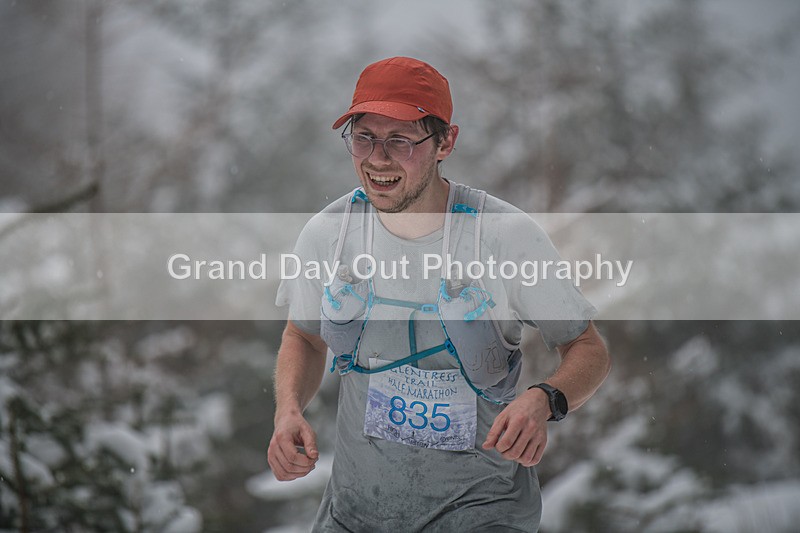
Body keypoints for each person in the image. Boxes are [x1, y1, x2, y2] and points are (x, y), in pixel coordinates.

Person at [268, 56, 610, 532]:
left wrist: (545, 398)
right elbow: (303, 337)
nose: (378, 158)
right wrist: (288, 411)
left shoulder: (503, 236)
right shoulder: (329, 234)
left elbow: (588, 349)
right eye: (364, 137)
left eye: (401, 140)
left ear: (446, 141)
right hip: (357, 514)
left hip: (483, 512)